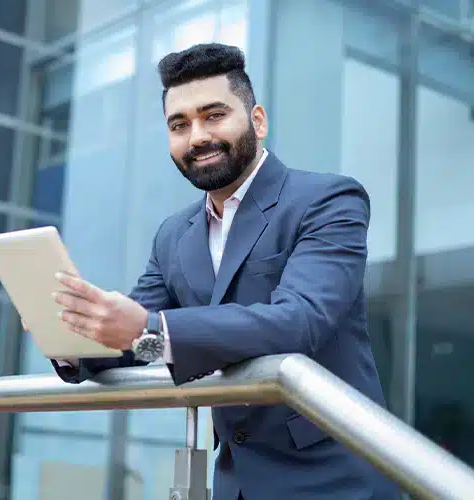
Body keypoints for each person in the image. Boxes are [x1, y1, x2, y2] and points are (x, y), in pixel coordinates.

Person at [33, 43, 400, 500]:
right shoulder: (174, 234)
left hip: (334, 480)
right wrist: (74, 338)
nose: (197, 136)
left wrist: (144, 326)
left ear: (258, 121)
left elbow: (300, 320)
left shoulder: (327, 201)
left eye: (214, 115)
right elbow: (137, 333)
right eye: (179, 125)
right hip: (234, 483)